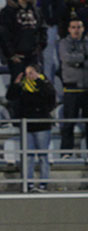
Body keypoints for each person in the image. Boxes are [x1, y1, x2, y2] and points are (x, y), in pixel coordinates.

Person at [6, 64, 56, 192]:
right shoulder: (22, 87)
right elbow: (10, 97)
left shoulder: (45, 84)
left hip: (42, 125)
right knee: (28, 156)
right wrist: (16, 84)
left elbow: (50, 98)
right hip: (26, 126)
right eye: (27, 73)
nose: (29, 76)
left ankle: (44, 183)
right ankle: (28, 184)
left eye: (32, 72)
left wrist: (39, 81)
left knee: (43, 156)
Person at [58, 17, 88, 158]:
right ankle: (66, 152)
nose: (77, 30)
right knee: (68, 122)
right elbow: (67, 58)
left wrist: (77, 60)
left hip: (86, 89)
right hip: (71, 89)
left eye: (79, 27)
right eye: (74, 27)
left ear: (83, 28)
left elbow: (73, 59)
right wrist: (83, 58)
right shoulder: (64, 43)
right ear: (69, 29)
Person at [0, 0, 47, 80]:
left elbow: (42, 29)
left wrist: (40, 47)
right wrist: (11, 54)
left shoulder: (36, 10)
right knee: (19, 86)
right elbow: (4, 35)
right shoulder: (7, 12)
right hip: (17, 58)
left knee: (36, 86)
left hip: (33, 57)